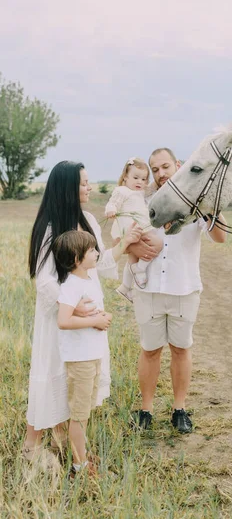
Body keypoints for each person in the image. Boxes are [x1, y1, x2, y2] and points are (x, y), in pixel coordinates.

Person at [23, 160, 140, 466]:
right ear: (67, 188)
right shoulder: (49, 228)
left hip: (86, 318)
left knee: (76, 375)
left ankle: (65, 439)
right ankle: (31, 444)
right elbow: (45, 280)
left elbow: (100, 263)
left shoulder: (87, 219)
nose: (89, 187)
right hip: (60, 318)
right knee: (52, 371)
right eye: (84, 183)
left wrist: (125, 244)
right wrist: (75, 307)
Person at [130, 147, 226, 434]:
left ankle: (179, 409)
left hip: (184, 288)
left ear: (178, 166)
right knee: (150, 350)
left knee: (181, 349)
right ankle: (145, 410)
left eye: (165, 167)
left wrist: (210, 208)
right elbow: (127, 237)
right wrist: (134, 246)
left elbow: (220, 238)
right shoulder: (143, 201)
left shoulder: (196, 204)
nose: (160, 174)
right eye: (155, 169)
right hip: (149, 289)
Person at [53, 230, 113, 477]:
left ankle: (82, 454)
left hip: (92, 355)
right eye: (91, 250)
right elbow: (63, 321)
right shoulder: (71, 286)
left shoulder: (88, 281)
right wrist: (94, 322)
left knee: (85, 411)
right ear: (77, 259)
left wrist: (103, 317)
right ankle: (80, 466)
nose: (97, 253)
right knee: (79, 415)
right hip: (80, 360)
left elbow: (97, 313)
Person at [105, 157, 163, 301]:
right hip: (131, 228)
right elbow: (112, 203)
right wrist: (110, 210)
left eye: (144, 179)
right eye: (136, 178)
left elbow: (153, 186)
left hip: (138, 227)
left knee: (133, 257)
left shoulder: (141, 191)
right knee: (158, 244)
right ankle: (140, 268)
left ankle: (125, 287)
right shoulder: (122, 191)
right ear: (125, 176)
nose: (140, 182)